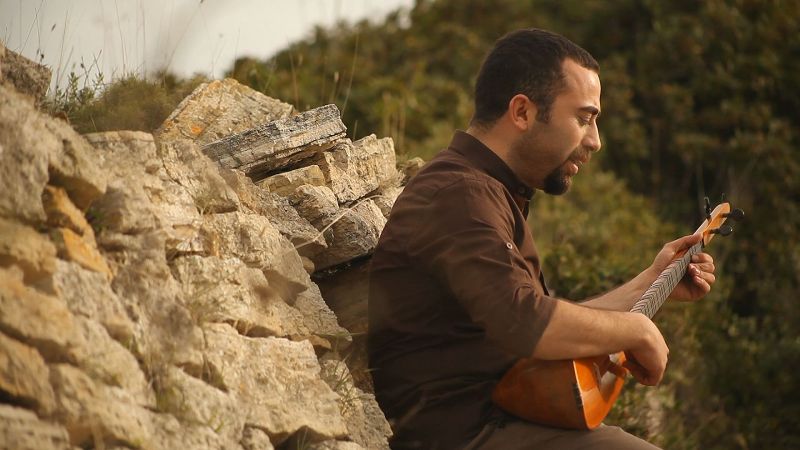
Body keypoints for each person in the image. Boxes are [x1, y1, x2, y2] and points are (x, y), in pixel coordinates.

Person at [367, 28, 716, 449]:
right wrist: (635, 330)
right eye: (584, 119)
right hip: (468, 435)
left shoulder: (484, 190)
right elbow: (524, 321)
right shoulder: (461, 193)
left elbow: (538, 322)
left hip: (503, 421)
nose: (595, 141)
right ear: (522, 112)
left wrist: (651, 282)